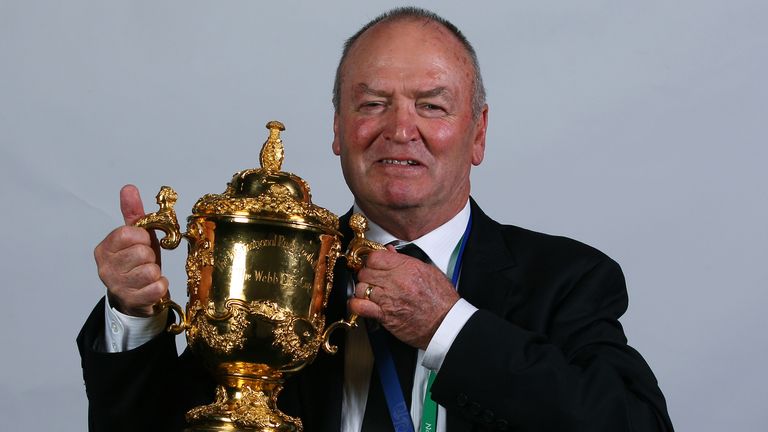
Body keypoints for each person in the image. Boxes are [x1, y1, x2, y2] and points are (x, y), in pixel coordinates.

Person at [78, 7, 674, 432]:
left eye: (431, 106)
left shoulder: (569, 278)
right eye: (371, 105)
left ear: (478, 134)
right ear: (337, 131)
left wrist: (448, 326)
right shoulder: (278, 262)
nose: (400, 129)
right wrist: (135, 315)